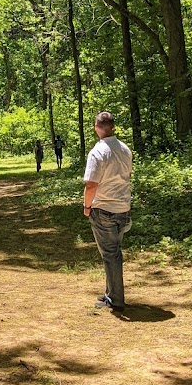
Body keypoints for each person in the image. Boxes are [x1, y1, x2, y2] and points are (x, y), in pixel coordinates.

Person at [83, 111, 133, 313]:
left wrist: (87, 207)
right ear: (113, 127)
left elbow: (91, 185)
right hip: (123, 208)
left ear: (97, 127)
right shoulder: (125, 149)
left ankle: (115, 299)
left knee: (110, 255)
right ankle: (111, 293)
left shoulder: (98, 152)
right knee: (114, 253)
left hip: (103, 209)